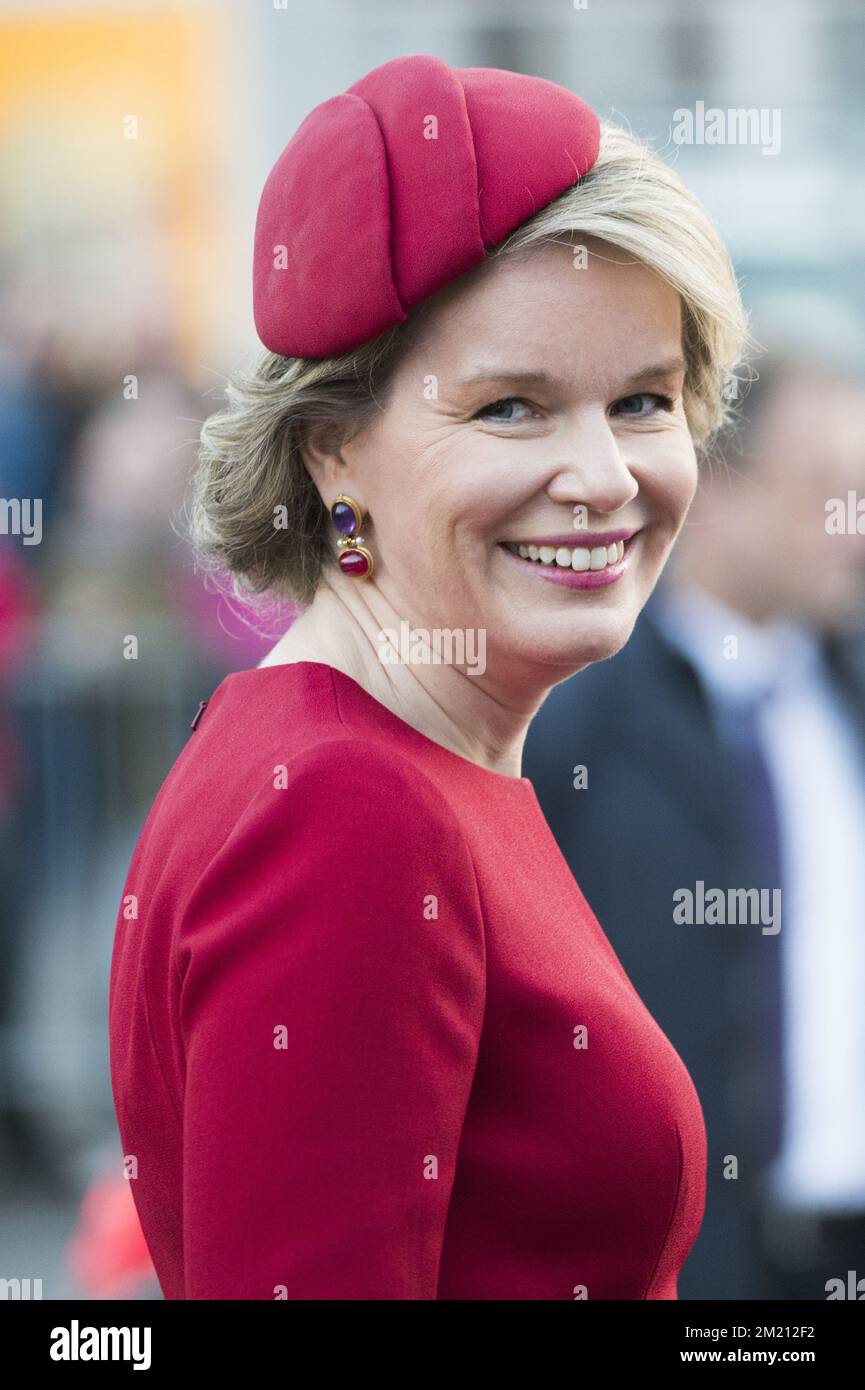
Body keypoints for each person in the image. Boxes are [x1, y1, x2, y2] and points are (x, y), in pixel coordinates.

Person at [108, 53, 749, 1300]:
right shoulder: (349, 809)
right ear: (331, 449)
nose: (604, 476)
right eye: (512, 407)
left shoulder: (402, 755)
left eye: (641, 400)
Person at [523, 294, 865, 1299]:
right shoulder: (571, 719)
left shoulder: (842, 693)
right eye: (826, 494)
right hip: (683, 1271)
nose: (854, 530)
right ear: (714, 487)